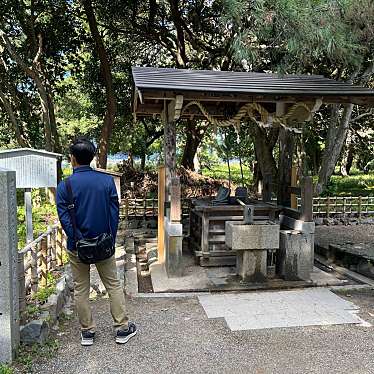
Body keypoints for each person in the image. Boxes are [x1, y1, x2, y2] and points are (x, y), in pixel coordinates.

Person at [56, 137, 136, 346]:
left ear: (72, 159)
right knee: (113, 285)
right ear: (92, 158)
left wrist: (78, 239)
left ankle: (87, 333)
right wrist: (108, 237)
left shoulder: (65, 186)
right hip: (103, 244)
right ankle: (122, 329)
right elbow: (114, 213)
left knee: (81, 288)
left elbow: (64, 218)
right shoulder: (106, 181)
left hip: (77, 247)